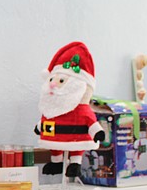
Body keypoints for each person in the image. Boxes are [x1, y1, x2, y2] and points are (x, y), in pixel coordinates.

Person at [35, 41, 104, 178]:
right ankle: (56, 162)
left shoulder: (82, 110)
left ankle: (75, 164)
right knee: (55, 147)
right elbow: (46, 118)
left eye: (61, 81)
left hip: (77, 139)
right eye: (51, 80)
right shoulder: (51, 106)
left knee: (76, 148)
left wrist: (97, 132)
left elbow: (90, 122)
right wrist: (39, 126)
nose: (53, 85)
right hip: (54, 139)